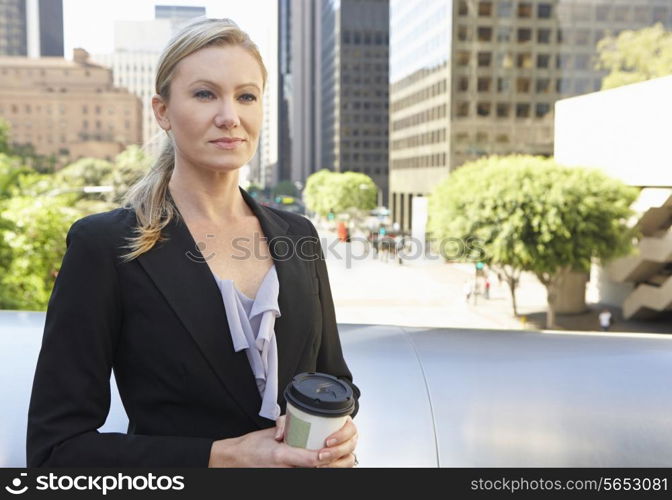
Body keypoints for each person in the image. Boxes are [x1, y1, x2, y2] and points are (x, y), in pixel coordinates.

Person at [26, 18, 360, 468]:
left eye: (246, 96)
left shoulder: (298, 236)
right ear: (162, 111)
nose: (230, 116)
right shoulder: (104, 246)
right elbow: (56, 450)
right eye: (205, 94)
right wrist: (222, 457)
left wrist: (341, 428)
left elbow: (333, 379)